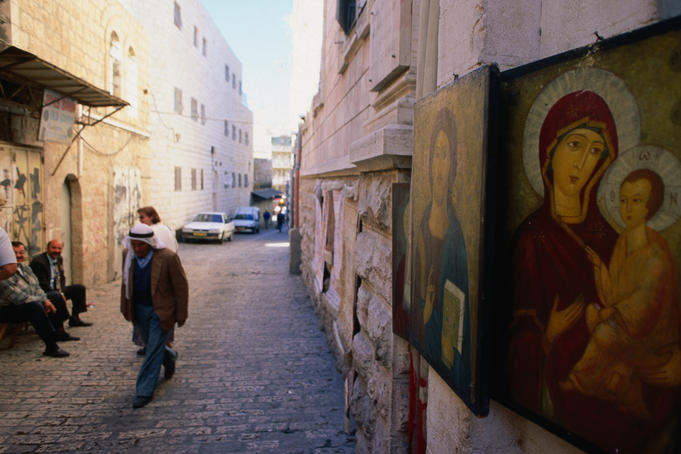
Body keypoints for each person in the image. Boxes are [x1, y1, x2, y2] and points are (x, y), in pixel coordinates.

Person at [560, 169, 681, 417]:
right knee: (592, 312)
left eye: (636, 201)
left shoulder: (656, 253)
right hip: (624, 324)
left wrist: (613, 313)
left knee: (604, 331)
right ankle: (619, 383)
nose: (627, 208)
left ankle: (581, 379)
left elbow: (646, 303)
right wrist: (599, 269)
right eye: (623, 200)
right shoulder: (623, 241)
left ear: (651, 205)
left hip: (650, 336)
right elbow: (613, 292)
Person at [411, 107, 470, 398]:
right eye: (436, 153)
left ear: (454, 163)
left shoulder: (456, 235)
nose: (439, 164)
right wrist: (423, 308)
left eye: (446, 154)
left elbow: (455, 317)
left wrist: (434, 311)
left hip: (440, 344)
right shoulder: (421, 218)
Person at [120, 224, 188, 409]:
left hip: (161, 311)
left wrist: (181, 314)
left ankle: (144, 391)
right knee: (153, 345)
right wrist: (125, 307)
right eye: (134, 245)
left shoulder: (168, 258)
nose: (138, 249)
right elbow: (126, 283)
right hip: (139, 309)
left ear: (149, 243)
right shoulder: (129, 256)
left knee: (150, 352)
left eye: (141, 245)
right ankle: (169, 357)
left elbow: (180, 287)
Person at [0, 241, 77, 357]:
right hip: (8, 308)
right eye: (14, 253)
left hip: (29, 300)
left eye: (21, 252)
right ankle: (51, 346)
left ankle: (59, 331)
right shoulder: (4, 272)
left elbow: (37, 286)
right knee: (35, 307)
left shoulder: (24, 267)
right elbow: (17, 297)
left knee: (55, 296)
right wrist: (41, 301)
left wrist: (44, 299)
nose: (19, 256)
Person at [134, 206, 177, 355]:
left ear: (151, 217)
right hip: (164, 277)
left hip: (155, 278)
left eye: (142, 218)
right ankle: (162, 343)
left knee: (150, 313)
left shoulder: (153, 232)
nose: (140, 221)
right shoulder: (165, 229)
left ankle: (155, 347)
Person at [30, 239, 92, 327]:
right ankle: (59, 328)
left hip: (57, 289)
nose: (56, 251)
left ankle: (75, 319)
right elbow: (42, 284)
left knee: (79, 288)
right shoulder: (39, 262)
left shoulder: (59, 258)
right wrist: (59, 294)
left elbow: (61, 277)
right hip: (45, 292)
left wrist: (61, 291)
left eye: (59, 249)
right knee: (56, 296)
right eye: (53, 248)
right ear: (47, 248)